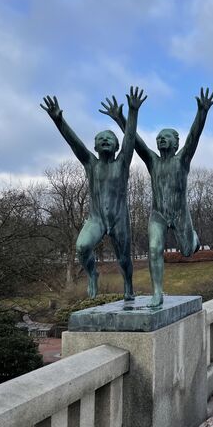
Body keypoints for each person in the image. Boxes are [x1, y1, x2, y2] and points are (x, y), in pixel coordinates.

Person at [101, 88, 213, 307]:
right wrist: (121, 118)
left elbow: (194, 137)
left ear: (175, 142)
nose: (161, 140)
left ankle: (193, 238)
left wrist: (202, 112)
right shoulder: (153, 161)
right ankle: (157, 293)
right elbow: (135, 142)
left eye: (166, 138)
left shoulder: (182, 160)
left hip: (181, 214)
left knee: (186, 252)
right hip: (159, 215)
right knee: (154, 249)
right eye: (159, 138)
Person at [41, 86, 145, 300]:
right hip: (96, 219)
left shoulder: (122, 163)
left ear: (117, 146)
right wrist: (58, 120)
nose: (105, 140)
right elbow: (74, 143)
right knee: (82, 247)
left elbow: (131, 139)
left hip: (119, 219)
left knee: (124, 259)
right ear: (95, 147)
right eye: (101, 139)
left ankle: (128, 284)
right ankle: (92, 275)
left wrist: (132, 113)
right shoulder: (91, 163)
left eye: (110, 139)